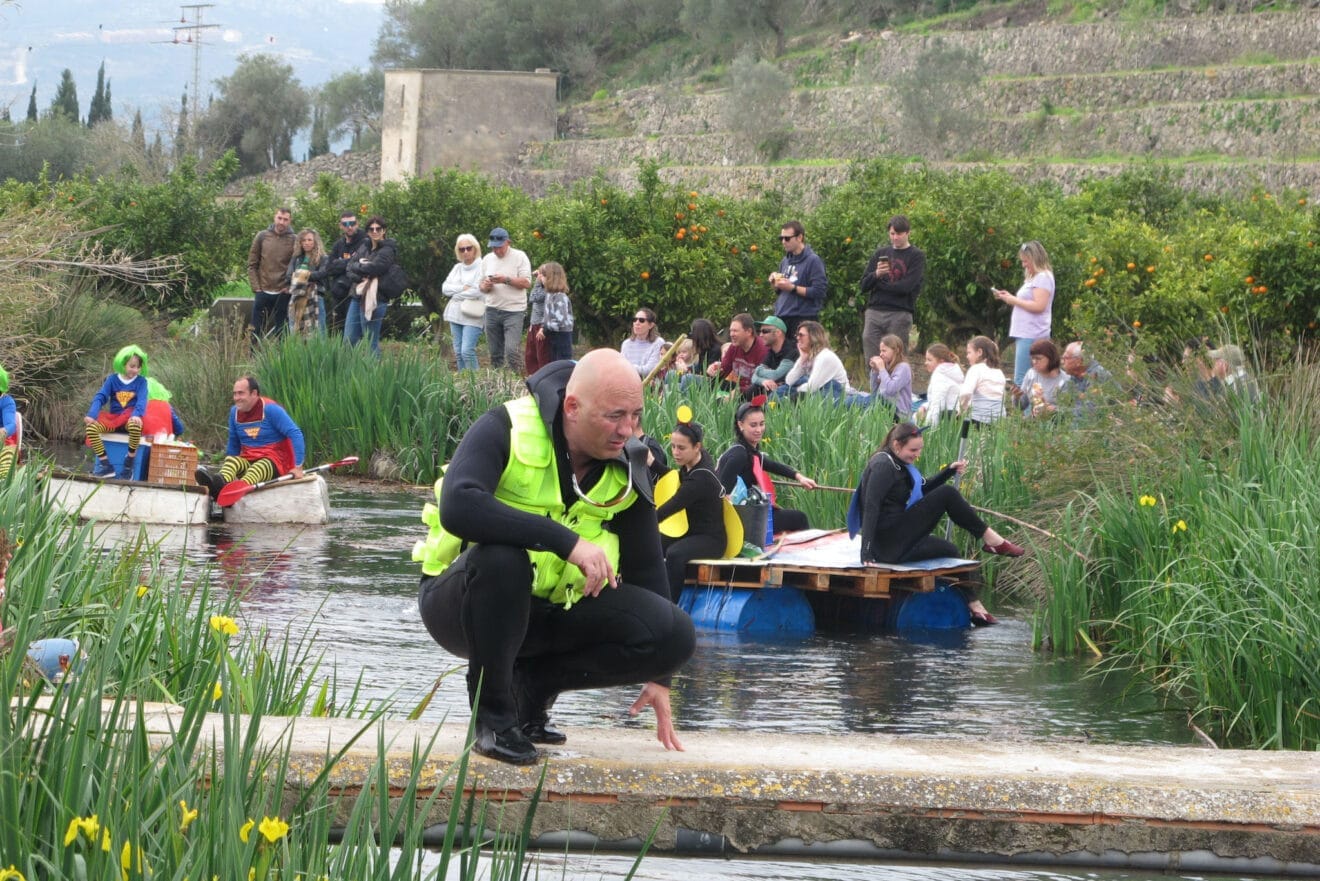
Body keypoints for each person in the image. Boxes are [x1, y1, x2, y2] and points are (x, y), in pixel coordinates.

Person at [414, 351, 696, 765]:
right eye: (614, 416)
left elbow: (647, 569)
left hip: (550, 613)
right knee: (502, 559)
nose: (627, 430)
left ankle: (533, 689)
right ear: (572, 407)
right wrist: (566, 542)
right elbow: (458, 506)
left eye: (635, 415)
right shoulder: (505, 426)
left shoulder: (627, 464)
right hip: (463, 603)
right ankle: (493, 719)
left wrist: (660, 676)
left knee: (675, 634)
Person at [856, 422, 1024, 626]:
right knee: (947, 494)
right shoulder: (883, 465)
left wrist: (949, 471)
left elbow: (923, 488)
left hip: (897, 541)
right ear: (897, 445)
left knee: (950, 550)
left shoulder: (900, 463)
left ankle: (975, 606)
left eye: (920, 449)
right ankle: (992, 540)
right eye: (913, 450)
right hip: (887, 544)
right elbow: (871, 507)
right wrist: (866, 551)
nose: (917, 454)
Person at [716, 397, 817, 534]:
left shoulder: (746, 450)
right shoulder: (739, 455)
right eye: (753, 425)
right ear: (740, 425)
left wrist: (799, 477)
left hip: (747, 514)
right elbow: (722, 491)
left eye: (762, 424)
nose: (759, 430)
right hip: (741, 522)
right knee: (799, 518)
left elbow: (772, 465)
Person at [195, 376, 306, 499]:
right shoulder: (234, 412)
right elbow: (233, 444)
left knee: (258, 467)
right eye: (235, 394)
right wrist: (231, 467)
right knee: (232, 461)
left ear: (254, 393)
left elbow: (296, 434)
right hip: (249, 459)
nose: (236, 398)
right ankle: (218, 486)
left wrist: (298, 467)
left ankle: (237, 490)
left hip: (274, 462)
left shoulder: (271, 410)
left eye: (241, 393)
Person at [656, 417, 727, 603]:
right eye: (673, 446)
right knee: (653, 542)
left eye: (681, 448)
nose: (675, 452)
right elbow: (674, 477)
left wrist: (642, 524)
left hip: (711, 540)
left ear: (697, 447)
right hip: (690, 532)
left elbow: (671, 507)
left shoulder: (701, 477)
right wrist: (652, 463)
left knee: (675, 553)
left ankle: (669, 605)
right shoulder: (693, 463)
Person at [860, 215, 926, 361]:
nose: (895, 237)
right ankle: (874, 377)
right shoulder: (880, 253)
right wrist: (877, 274)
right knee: (872, 357)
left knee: (896, 358)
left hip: (900, 313)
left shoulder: (916, 256)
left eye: (899, 234)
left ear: (908, 233)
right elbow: (863, 285)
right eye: (892, 233)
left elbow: (906, 287)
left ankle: (896, 377)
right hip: (874, 311)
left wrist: (880, 285)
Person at [993, 241, 1055, 388]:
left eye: (1026, 261)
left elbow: (1039, 306)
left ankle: (1022, 404)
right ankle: (1031, 403)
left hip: (1032, 333)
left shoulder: (1043, 277)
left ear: (1035, 259)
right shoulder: (1034, 278)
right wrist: (1008, 297)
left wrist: (1013, 300)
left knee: (1022, 379)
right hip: (1026, 333)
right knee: (1030, 379)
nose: (1023, 265)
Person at [85, 345, 149, 479]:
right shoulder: (112, 379)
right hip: (114, 420)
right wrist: (92, 414)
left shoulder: (141, 382)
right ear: (123, 363)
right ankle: (106, 466)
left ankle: (129, 463)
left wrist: (136, 415)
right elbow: (101, 396)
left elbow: (142, 400)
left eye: (138, 367)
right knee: (91, 428)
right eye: (132, 366)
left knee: (135, 426)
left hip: (130, 419)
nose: (135, 370)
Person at [480, 227, 533, 372]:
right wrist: (485, 285)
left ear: (508, 242)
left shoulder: (520, 256)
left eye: (499, 247)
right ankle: (498, 381)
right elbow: (481, 286)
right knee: (494, 353)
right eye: (493, 248)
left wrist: (505, 280)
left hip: (513, 311)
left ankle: (517, 379)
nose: (496, 251)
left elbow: (526, 283)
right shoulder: (487, 259)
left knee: (511, 351)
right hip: (491, 310)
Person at [344, 216, 398, 357]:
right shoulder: (364, 246)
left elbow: (375, 268)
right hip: (357, 296)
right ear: (367, 231)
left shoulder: (388, 249)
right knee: (349, 340)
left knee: (370, 342)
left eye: (378, 229)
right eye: (371, 229)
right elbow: (348, 267)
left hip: (376, 299)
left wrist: (358, 266)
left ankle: (374, 370)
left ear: (384, 230)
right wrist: (360, 273)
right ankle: (348, 369)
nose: (375, 231)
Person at [770, 220, 828, 341]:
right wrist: (775, 283)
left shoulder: (813, 261)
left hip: (803, 320)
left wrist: (793, 288)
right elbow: (780, 292)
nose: (783, 242)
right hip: (782, 318)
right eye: (781, 238)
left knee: (800, 353)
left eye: (787, 238)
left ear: (799, 237)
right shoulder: (785, 261)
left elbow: (819, 291)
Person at [247, 207, 297, 345]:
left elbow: (297, 266)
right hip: (263, 290)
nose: (281, 222)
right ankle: (253, 356)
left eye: (285, 219)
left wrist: (290, 287)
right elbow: (252, 264)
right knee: (256, 330)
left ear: (290, 221)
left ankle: (282, 357)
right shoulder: (262, 236)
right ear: (274, 217)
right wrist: (256, 288)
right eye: (279, 218)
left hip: (283, 292)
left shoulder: (294, 239)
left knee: (282, 332)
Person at [784, 321, 861, 403]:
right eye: (797, 335)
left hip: (837, 394)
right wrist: (802, 361)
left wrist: (795, 390)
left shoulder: (824, 356)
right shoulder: (807, 356)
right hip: (820, 391)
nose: (797, 338)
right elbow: (789, 381)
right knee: (788, 388)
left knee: (795, 390)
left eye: (801, 335)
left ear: (813, 337)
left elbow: (812, 387)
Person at [441, 234, 486, 372]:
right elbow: (445, 288)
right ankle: (463, 381)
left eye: (468, 248)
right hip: (455, 314)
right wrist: (462, 288)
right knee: (458, 353)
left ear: (475, 248)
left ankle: (475, 382)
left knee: (467, 351)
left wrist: (455, 294)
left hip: (473, 314)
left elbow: (477, 291)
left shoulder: (482, 266)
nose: (465, 252)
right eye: (462, 249)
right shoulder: (457, 268)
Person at [325, 210, 367, 334]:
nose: (349, 227)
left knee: (355, 332)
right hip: (339, 293)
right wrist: (350, 262)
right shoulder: (338, 245)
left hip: (356, 293)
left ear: (357, 224)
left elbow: (362, 265)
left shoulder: (365, 241)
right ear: (341, 226)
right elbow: (329, 268)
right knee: (337, 330)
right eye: (345, 224)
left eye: (352, 223)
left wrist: (340, 262)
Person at [706, 313, 767, 395]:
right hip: (738, 388)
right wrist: (714, 370)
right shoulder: (734, 347)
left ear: (749, 331)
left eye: (735, 331)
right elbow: (723, 371)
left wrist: (739, 392)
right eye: (731, 331)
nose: (731, 334)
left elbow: (761, 385)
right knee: (701, 382)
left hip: (756, 392)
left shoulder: (763, 349)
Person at [286, 228, 330, 337]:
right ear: (300, 242)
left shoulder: (323, 258)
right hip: (297, 297)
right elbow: (288, 276)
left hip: (316, 296)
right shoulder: (296, 258)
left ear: (315, 241)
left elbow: (322, 274)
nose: (306, 242)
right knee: (295, 330)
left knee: (318, 331)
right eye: (304, 240)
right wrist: (308, 276)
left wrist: (300, 275)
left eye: (309, 240)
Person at [959, 335, 1007, 425]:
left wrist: (962, 408)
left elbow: (966, 392)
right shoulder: (999, 372)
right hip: (999, 420)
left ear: (979, 352)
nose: (967, 356)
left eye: (969, 352)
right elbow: (1002, 395)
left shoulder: (976, 369)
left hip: (979, 418)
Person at [914, 343, 964, 428]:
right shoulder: (952, 372)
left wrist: (927, 429)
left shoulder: (940, 377)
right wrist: (924, 407)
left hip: (945, 422)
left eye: (929, 360)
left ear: (941, 362)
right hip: (955, 418)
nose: (925, 363)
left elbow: (937, 406)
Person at [1014, 339, 1066, 417]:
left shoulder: (1065, 380)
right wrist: (1017, 397)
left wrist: (1048, 408)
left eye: (1038, 358)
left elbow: (1070, 411)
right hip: (1035, 421)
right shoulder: (1031, 374)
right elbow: (1022, 406)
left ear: (1051, 358)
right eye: (1032, 358)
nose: (1034, 362)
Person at [748, 315, 797, 399]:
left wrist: (758, 370)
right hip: (776, 389)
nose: (760, 335)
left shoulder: (792, 351)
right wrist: (763, 381)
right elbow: (753, 377)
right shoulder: (771, 352)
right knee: (753, 389)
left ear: (778, 333)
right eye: (759, 331)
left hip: (792, 393)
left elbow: (776, 375)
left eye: (765, 331)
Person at [869, 333, 913, 418]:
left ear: (896, 350)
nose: (880, 354)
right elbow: (874, 392)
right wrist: (875, 371)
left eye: (884, 351)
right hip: (884, 407)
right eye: (880, 351)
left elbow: (890, 390)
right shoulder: (886, 367)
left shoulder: (903, 367)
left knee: (857, 401)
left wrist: (882, 369)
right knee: (857, 400)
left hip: (899, 413)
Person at [539, 262, 575, 362]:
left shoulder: (560, 296)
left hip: (562, 336)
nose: (540, 277)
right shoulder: (549, 295)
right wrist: (542, 326)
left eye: (543, 275)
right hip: (553, 334)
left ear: (551, 278)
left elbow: (560, 321)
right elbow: (546, 315)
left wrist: (545, 328)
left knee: (562, 362)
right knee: (553, 361)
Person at [524, 265, 553, 376]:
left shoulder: (549, 291)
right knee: (530, 355)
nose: (540, 277)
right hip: (534, 324)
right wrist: (539, 279)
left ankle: (543, 378)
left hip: (541, 326)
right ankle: (534, 378)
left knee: (542, 356)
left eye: (543, 275)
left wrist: (537, 281)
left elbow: (533, 297)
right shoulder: (542, 288)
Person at [622, 307, 666, 378]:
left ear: (651, 325)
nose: (637, 323)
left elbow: (650, 370)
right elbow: (621, 368)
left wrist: (628, 367)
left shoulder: (658, 343)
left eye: (641, 320)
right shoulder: (626, 344)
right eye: (635, 320)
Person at [0, 366, 17, 479]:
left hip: (3, 442)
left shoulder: (7, 402)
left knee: (8, 452)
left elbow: (11, 425)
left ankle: (4, 478)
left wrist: (3, 431)